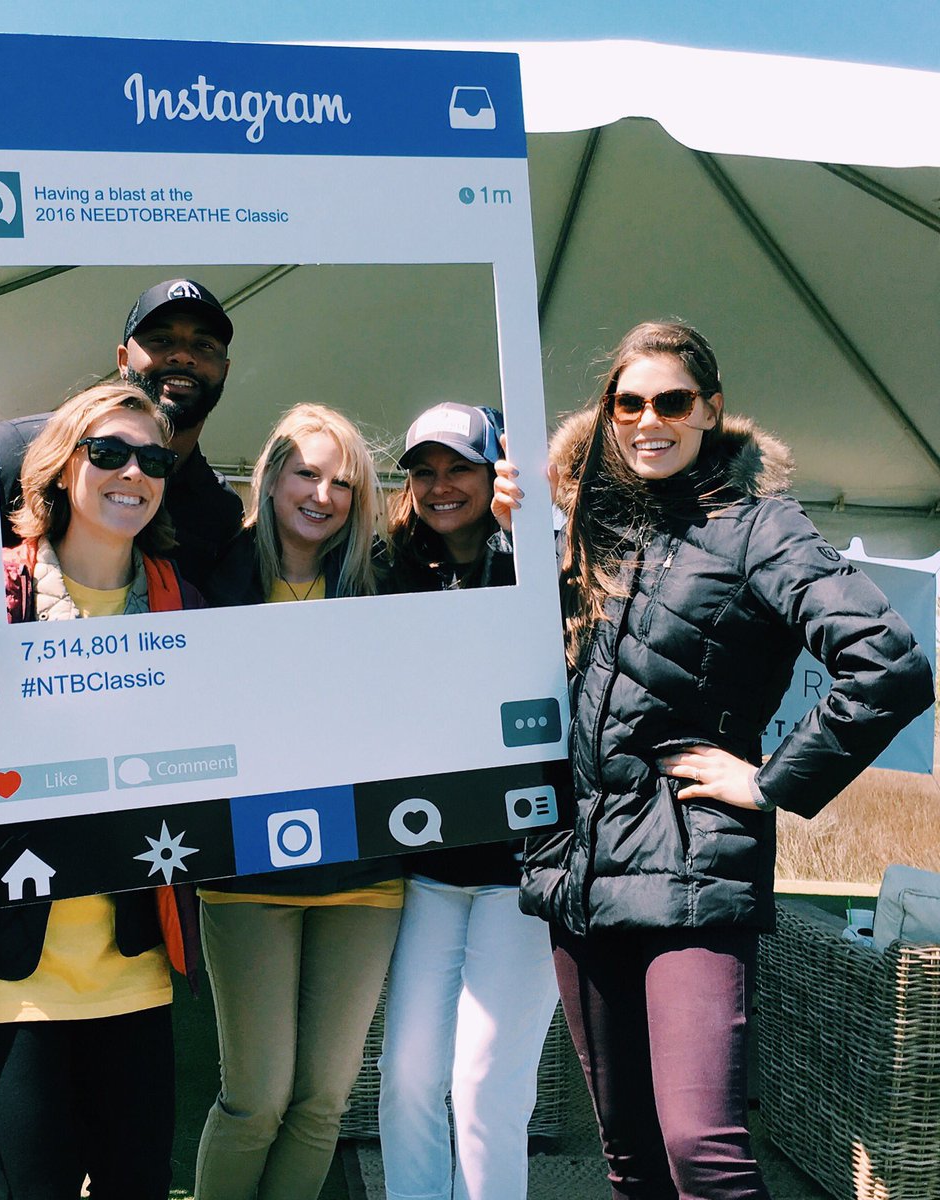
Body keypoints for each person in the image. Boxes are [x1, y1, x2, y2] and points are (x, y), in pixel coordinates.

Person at [492, 321, 934, 1200]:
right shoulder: (590, 534)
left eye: (672, 402)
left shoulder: (759, 527)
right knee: (630, 1159)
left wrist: (769, 781)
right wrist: (513, 538)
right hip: (581, 874)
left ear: (711, 410)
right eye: (629, 403)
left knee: (704, 1149)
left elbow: (891, 665)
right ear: (609, 417)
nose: (649, 420)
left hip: (696, 872)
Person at [0, 278, 243, 1200]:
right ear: (59, 466)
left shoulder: (201, 539)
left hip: (131, 945)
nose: (132, 474)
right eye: (108, 454)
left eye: (205, 340)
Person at [194, 403, 400, 1200]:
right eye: (306, 473)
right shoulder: (216, 574)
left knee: (321, 1102)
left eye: (341, 481)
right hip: (246, 873)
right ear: (272, 475)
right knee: (257, 1099)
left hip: (366, 876)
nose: (321, 494)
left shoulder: (385, 579)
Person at [376, 402, 561, 1200]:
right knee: (408, 1078)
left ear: (497, 474)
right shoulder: (386, 568)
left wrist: (532, 542)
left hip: (526, 868)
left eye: (460, 467)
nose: (441, 485)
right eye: (425, 470)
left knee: (488, 1086)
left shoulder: (552, 557)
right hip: (427, 868)